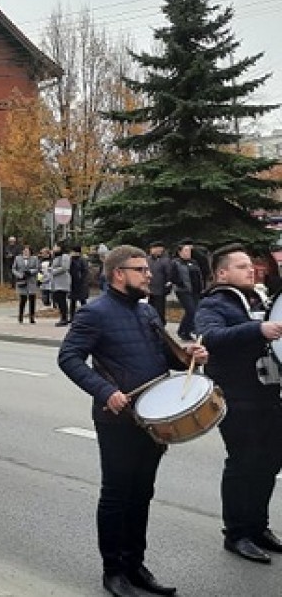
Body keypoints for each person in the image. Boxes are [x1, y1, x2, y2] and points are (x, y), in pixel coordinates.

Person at [58, 245, 207, 597]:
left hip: (152, 419)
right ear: (118, 274)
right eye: (141, 269)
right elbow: (68, 357)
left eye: (147, 268)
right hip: (118, 419)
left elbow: (164, 358)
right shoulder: (95, 313)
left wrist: (191, 357)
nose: (149, 274)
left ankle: (135, 564)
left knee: (142, 494)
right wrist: (103, 391)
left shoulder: (146, 313)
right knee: (117, 495)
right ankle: (114, 572)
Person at [194, 244, 282, 564]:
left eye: (251, 265)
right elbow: (210, 337)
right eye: (243, 266)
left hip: (269, 394)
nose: (252, 269)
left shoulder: (259, 298)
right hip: (237, 396)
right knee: (244, 463)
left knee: (270, 462)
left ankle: (258, 527)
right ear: (222, 273)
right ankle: (237, 533)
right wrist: (258, 329)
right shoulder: (214, 303)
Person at [173, 240, 204, 341]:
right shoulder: (176, 263)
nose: (188, 253)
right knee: (191, 311)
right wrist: (180, 282)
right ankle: (183, 331)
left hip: (195, 291)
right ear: (180, 252)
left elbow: (199, 275)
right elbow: (172, 276)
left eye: (189, 251)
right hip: (183, 291)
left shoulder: (194, 262)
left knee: (194, 311)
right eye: (186, 251)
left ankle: (186, 331)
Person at [146, 241, 174, 325]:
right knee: (149, 309)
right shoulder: (147, 260)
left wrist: (168, 285)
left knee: (160, 310)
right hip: (149, 289)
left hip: (160, 289)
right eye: (153, 248)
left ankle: (161, 325)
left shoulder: (165, 260)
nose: (154, 250)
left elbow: (169, 274)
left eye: (156, 248)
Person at [12, 244, 40, 324]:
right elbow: (14, 269)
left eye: (27, 251)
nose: (26, 253)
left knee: (32, 300)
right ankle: (20, 316)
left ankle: (32, 317)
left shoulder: (34, 258)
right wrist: (19, 275)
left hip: (31, 281)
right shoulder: (18, 258)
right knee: (22, 300)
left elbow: (38, 268)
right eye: (24, 251)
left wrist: (31, 271)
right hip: (22, 281)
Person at [50, 243, 71, 326]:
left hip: (62, 282)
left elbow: (65, 267)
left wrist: (53, 271)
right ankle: (63, 316)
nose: (54, 248)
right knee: (58, 299)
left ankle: (64, 318)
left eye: (55, 246)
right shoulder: (56, 257)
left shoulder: (65, 256)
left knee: (61, 299)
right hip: (56, 282)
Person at [69, 244, 90, 321]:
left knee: (82, 301)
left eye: (72, 251)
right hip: (73, 283)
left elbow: (85, 271)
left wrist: (82, 280)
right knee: (72, 301)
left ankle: (86, 317)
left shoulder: (82, 260)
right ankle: (72, 317)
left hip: (81, 284)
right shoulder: (71, 259)